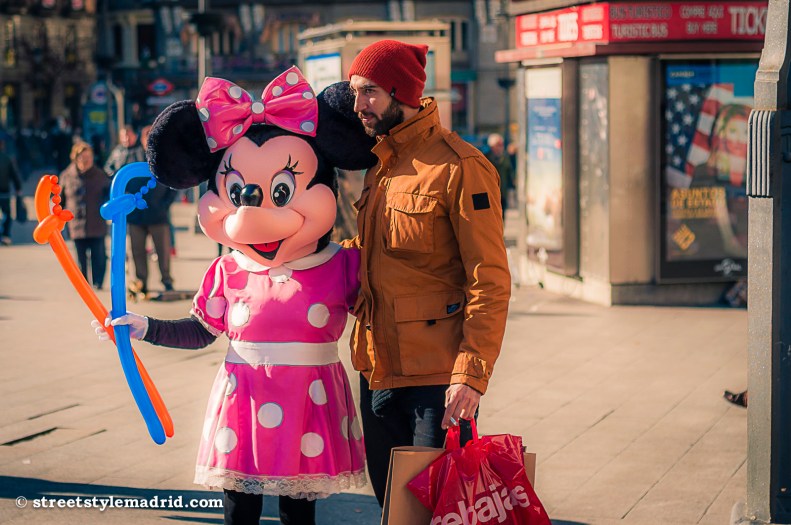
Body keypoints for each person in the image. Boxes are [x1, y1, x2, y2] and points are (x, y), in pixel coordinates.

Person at [93, 70, 377, 525]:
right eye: (239, 192)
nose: (254, 211)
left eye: (280, 193)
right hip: (242, 400)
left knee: (297, 512)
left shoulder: (342, 265)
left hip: (311, 401)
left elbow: (390, 304)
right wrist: (144, 327)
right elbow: (202, 331)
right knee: (238, 510)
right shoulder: (228, 270)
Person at [345, 39, 512, 505]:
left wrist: (471, 375)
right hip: (375, 367)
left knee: (434, 510)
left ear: (403, 92)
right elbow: (371, 253)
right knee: (391, 506)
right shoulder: (380, 165)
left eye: (370, 92)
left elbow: (490, 278)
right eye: (356, 92)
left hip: (435, 380)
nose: (359, 104)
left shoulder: (462, 166)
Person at [58, 141, 111, 289]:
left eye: (88, 157)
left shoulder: (100, 175)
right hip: (76, 225)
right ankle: (84, 286)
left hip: (96, 224)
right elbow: (59, 200)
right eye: (82, 157)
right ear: (75, 158)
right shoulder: (67, 176)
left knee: (99, 257)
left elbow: (109, 195)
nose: (85, 161)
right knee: (80, 260)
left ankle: (98, 283)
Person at [485, 133, 515, 220]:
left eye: (501, 145)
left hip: (502, 193)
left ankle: (500, 233)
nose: (500, 147)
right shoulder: (485, 158)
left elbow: (509, 172)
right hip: (489, 194)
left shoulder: (505, 158)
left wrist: (512, 185)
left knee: (501, 217)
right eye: (498, 145)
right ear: (491, 146)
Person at [0, 136, 22, 245]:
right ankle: (5, 235)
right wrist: (18, 188)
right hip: (4, 192)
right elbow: (14, 175)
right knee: (7, 214)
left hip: (4, 192)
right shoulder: (6, 158)